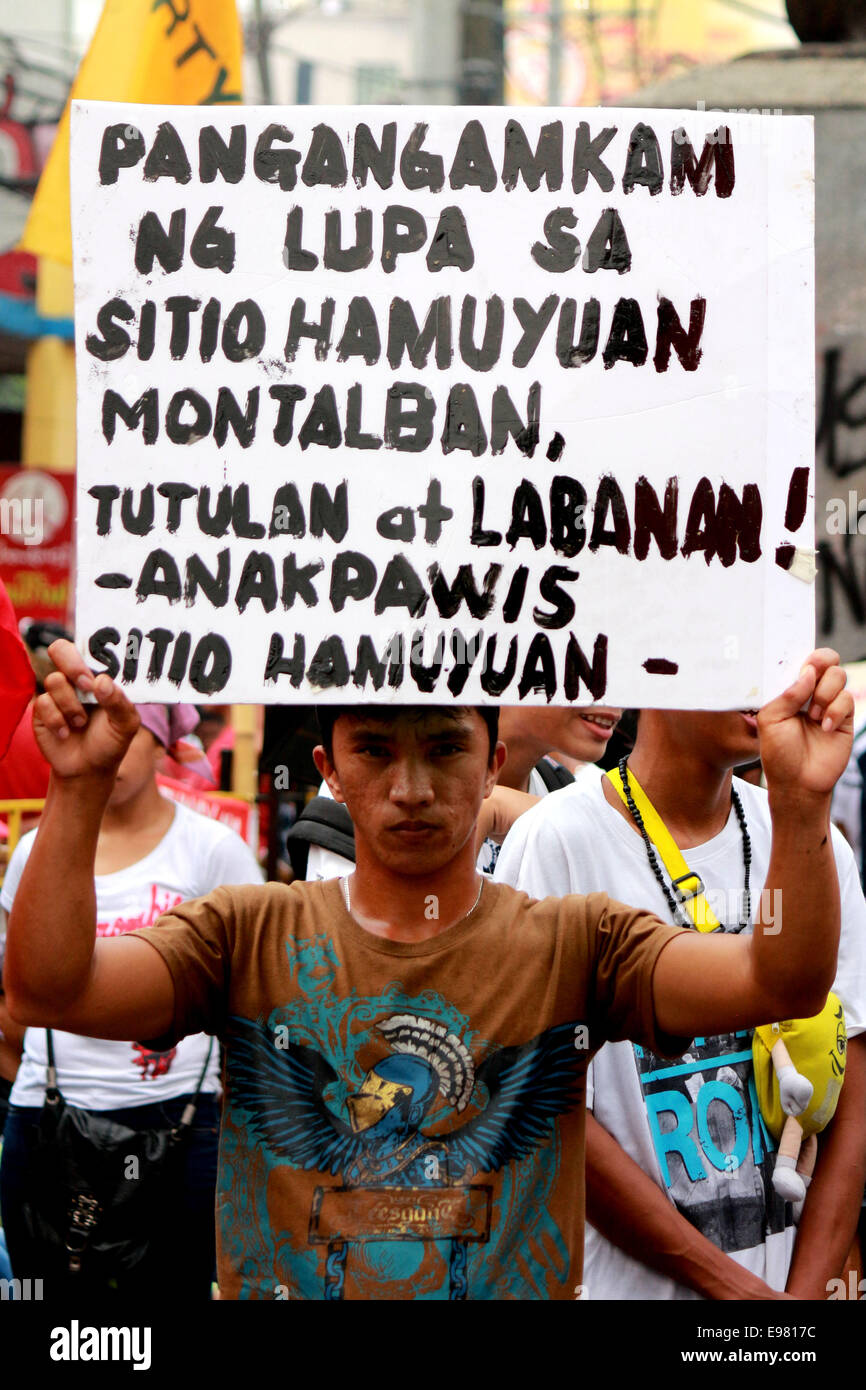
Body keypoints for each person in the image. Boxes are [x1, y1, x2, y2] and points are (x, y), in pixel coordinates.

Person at [2, 640, 853, 1300]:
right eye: (374, 749)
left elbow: (778, 982)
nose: (410, 787)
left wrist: (802, 804)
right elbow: (51, 988)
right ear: (329, 771)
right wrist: (75, 790)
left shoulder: (573, 942)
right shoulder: (247, 932)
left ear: (491, 763)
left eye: (444, 748)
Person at [495, 703, 866, 1300]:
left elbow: (854, 1105)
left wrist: (795, 1312)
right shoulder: (557, 841)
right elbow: (547, 1113)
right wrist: (733, 1293)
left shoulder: (812, 840)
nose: (761, 683)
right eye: (731, 644)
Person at [0, 700, 262, 1300]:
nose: (108, 745)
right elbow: (19, 995)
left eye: (129, 729)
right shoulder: (33, 854)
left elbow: (252, 988)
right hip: (48, 1117)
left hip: (181, 1121)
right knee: (46, 1293)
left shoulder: (213, 851)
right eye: (88, 725)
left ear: (164, 743)